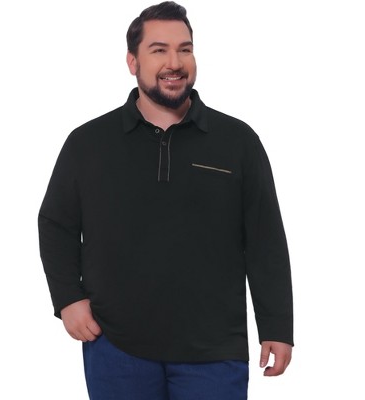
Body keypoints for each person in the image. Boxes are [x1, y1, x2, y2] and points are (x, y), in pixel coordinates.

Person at [38, 2, 294, 399]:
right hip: (115, 344)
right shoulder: (88, 143)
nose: (174, 63)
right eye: (159, 50)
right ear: (132, 61)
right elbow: (56, 225)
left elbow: (265, 240)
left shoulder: (238, 142)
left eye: (184, 49)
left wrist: (277, 326)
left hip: (214, 350)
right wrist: (68, 298)